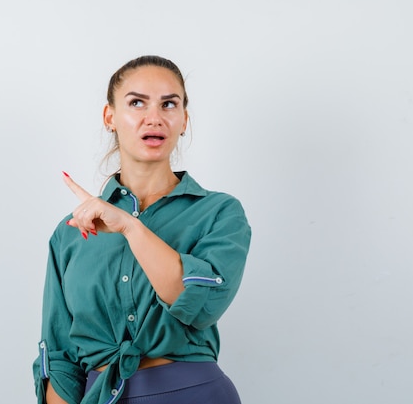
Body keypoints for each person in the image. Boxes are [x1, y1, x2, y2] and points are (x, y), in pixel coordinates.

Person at [33, 55, 251, 404]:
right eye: (137, 103)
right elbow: (60, 355)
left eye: (169, 104)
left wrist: (131, 228)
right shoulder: (71, 232)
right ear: (110, 117)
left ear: (183, 120)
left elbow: (200, 305)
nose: (155, 117)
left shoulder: (219, 213)